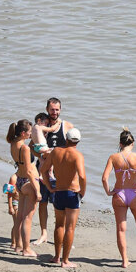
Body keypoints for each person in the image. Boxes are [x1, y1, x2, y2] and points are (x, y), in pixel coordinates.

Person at [101, 127, 136, 268]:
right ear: (133, 143)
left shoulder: (113, 157)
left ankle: (125, 261)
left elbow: (104, 178)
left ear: (120, 144)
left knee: (120, 229)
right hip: (135, 194)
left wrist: (108, 192)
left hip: (119, 194)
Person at [39, 127, 86, 268]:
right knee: (70, 228)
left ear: (66, 138)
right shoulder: (77, 155)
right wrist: (82, 192)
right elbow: (82, 176)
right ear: (78, 141)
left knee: (59, 224)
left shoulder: (56, 152)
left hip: (58, 192)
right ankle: (65, 261)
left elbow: (43, 170)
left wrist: (49, 186)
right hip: (72, 193)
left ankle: (56, 257)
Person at [34, 97, 74, 246]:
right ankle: (43, 234)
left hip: (60, 173)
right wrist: (43, 155)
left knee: (61, 207)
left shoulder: (67, 126)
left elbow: (73, 149)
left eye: (57, 109)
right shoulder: (41, 125)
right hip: (43, 170)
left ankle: (62, 236)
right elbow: (32, 146)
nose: (54, 112)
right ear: (47, 109)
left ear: (60, 110)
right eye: (52, 109)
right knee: (42, 202)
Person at [7, 119, 40, 257]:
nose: (31, 134)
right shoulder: (25, 148)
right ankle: (26, 249)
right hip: (27, 182)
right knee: (27, 218)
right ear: (23, 133)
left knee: (20, 217)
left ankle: (18, 246)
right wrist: (37, 189)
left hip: (19, 181)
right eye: (29, 132)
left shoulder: (13, 144)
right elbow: (28, 171)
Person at [6, 172, 19, 250]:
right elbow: (9, 194)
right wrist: (10, 207)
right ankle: (13, 242)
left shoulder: (28, 175)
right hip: (16, 202)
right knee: (17, 223)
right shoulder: (13, 178)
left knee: (23, 224)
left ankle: (19, 242)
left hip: (25, 202)